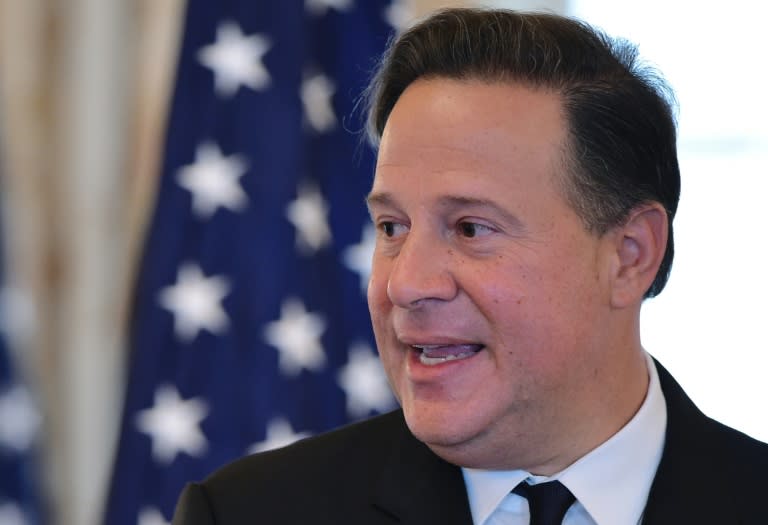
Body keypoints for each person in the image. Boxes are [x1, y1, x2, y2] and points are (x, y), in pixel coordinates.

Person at [172, 8, 768, 524]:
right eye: (391, 228)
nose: (406, 284)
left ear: (629, 254)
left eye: (470, 229)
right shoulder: (247, 515)